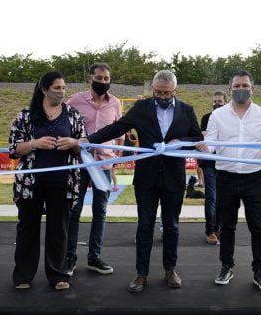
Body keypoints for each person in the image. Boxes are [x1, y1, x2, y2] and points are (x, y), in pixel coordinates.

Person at [85, 70, 202, 293]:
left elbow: (197, 138)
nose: (162, 97)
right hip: (147, 177)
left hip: (174, 179)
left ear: (175, 90)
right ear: (153, 90)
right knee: (145, 226)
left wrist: (180, 142)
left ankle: (170, 270)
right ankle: (141, 274)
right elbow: (117, 127)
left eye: (167, 93)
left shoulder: (187, 110)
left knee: (172, 226)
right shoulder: (142, 108)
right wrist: (88, 140)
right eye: (158, 92)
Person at [198, 70, 261, 292]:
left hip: (254, 178)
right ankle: (226, 266)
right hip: (226, 177)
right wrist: (204, 146)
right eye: (236, 86)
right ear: (230, 90)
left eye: (245, 85)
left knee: (258, 227)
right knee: (227, 226)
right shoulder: (218, 116)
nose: (241, 90)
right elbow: (212, 144)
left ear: (252, 88)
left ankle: (260, 271)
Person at [8, 71, 86, 290]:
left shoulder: (72, 114)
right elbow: (14, 149)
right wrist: (35, 144)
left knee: (59, 229)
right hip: (30, 183)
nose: (61, 92)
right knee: (27, 228)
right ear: (44, 89)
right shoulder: (25, 115)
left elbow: (84, 142)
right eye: (57, 88)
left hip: (63, 181)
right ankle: (23, 275)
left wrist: (73, 142)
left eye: (63, 88)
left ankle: (59, 274)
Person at [65, 63, 122, 276]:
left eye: (106, 78)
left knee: (101, 211)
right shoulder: (74, 101)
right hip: (80, 164)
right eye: (99, 78)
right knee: (74, 210)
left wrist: (115, 156)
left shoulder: (115, 103)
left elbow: (119, 132)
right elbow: (65, 124)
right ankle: (69, 257)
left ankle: (94, 257)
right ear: (90, 79)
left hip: (104, 165)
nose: (103, 82)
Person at [198, 91, 227, 244]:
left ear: (225, 103)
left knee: (223, 198)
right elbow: (207, 140)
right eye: (215, 101)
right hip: (209, 162)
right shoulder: (206, 118)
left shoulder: (230, 118)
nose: (216, 104)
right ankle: (210, 230)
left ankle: (218, 229)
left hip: (225, 162)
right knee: (211, 197)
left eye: (219, 102)